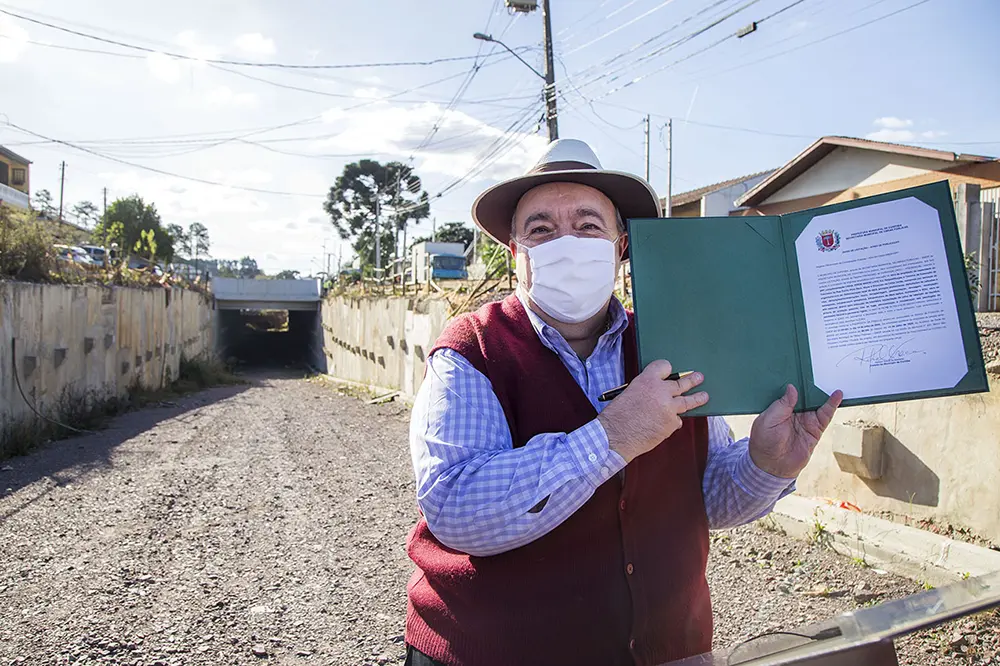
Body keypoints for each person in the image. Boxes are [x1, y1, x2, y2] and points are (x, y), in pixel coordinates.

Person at [403, 139, 843, 666]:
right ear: (515, 253)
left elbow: (707, 501)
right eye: (540, 229)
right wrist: (611, 437)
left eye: (589, 225)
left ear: (621, 246)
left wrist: (765, 465)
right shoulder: (471, 348)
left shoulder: (672, 342)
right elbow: (457, 508)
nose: (566, 241)